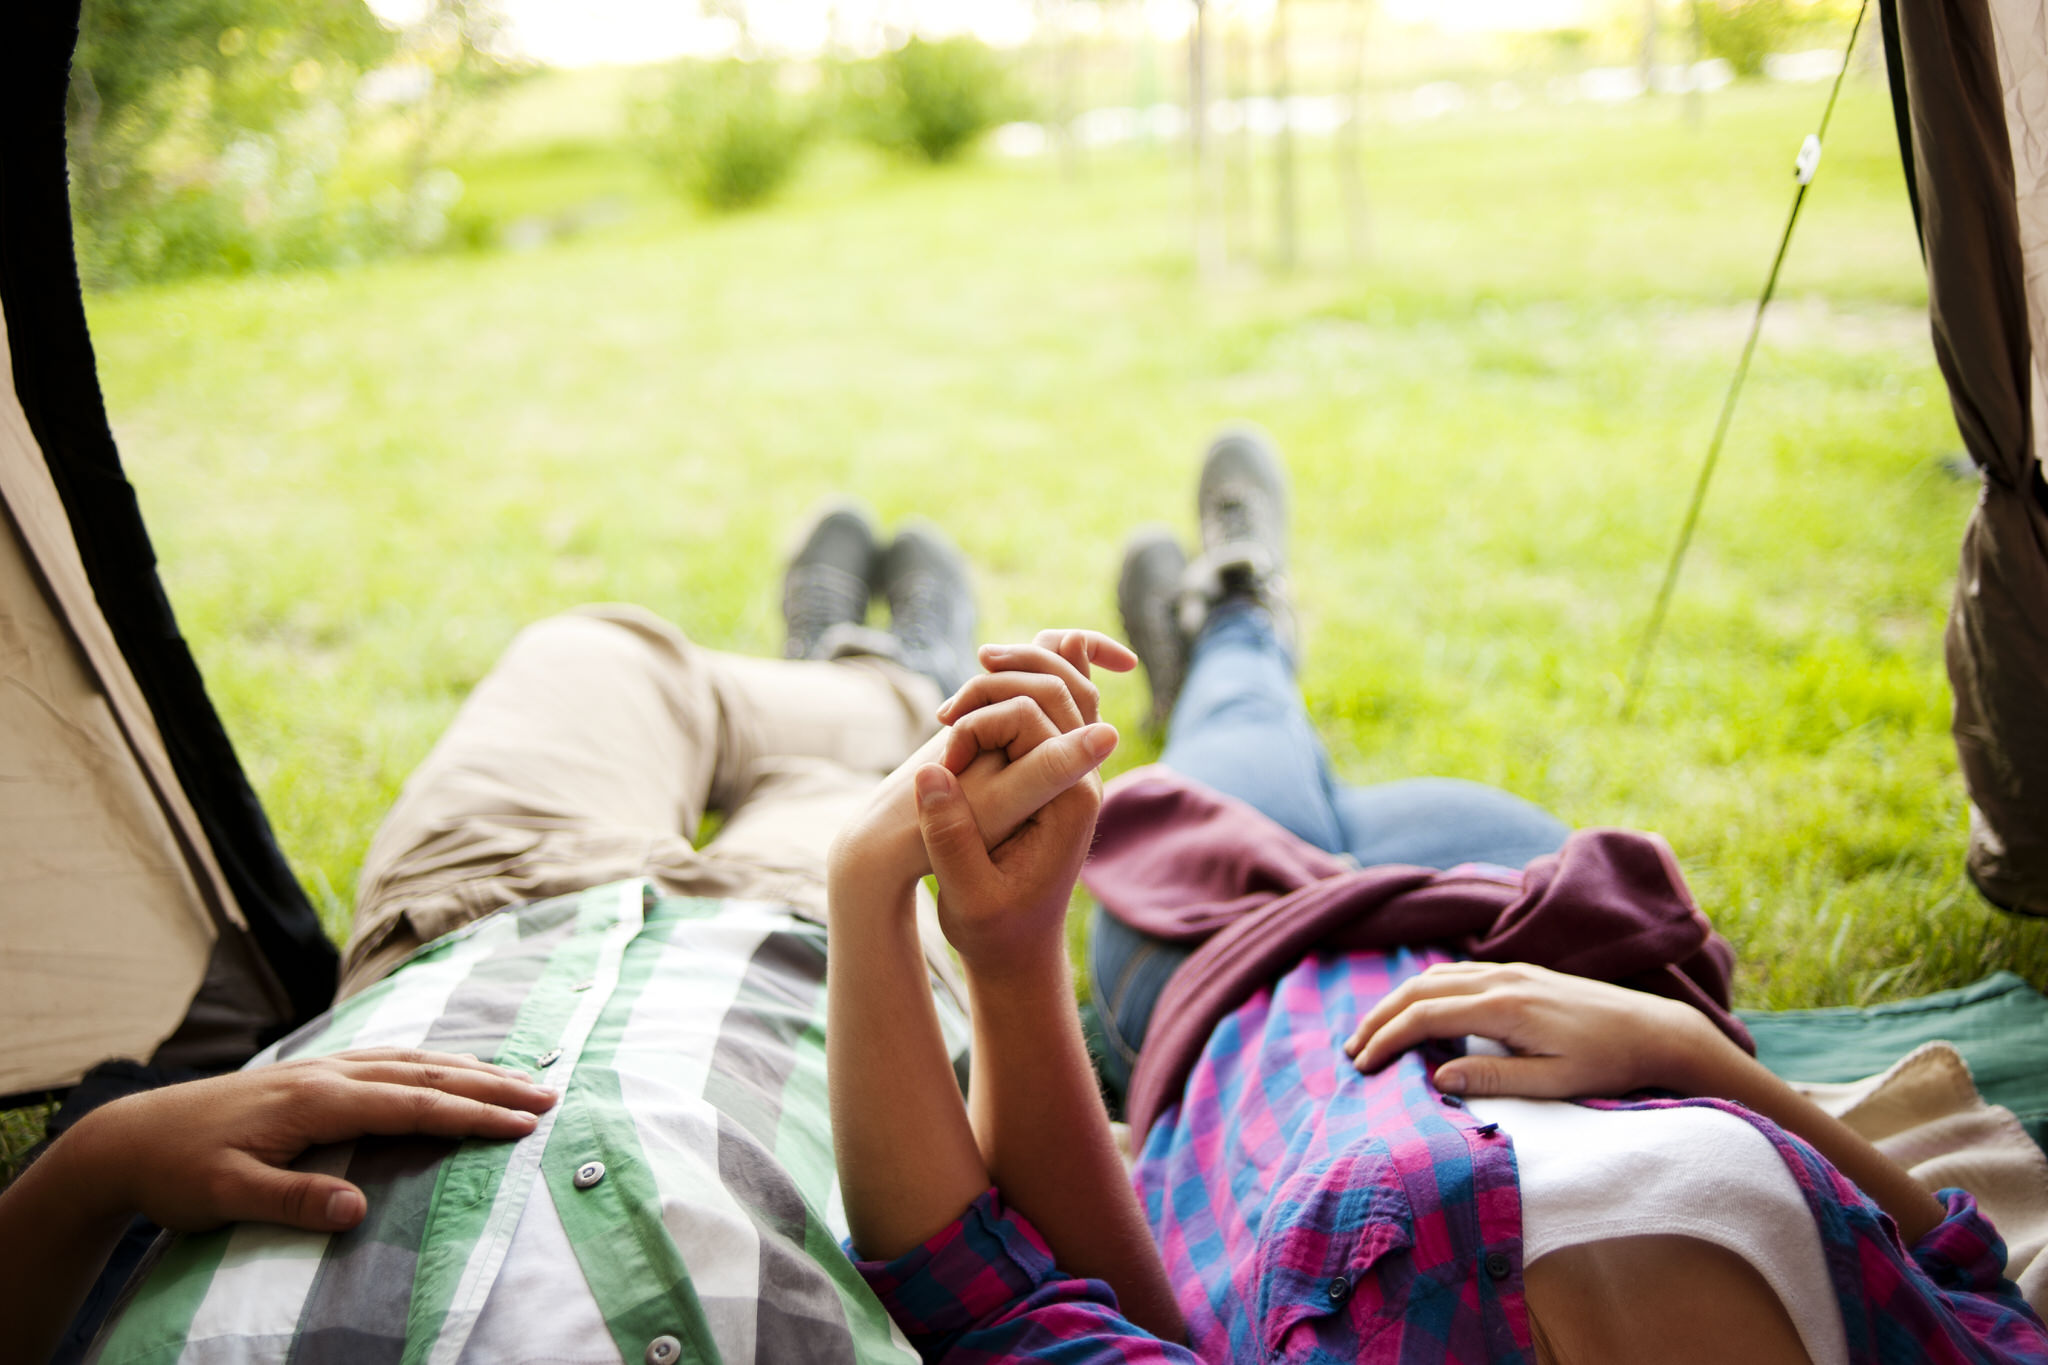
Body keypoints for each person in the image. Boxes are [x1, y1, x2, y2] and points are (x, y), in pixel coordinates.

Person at [823, 430, 2048, 1365]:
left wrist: (924, 909)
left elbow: (999, 1303)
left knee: (1232, 753)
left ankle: (1230, 632)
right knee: (1246, 746)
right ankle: (1227, 621)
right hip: (1531, 912)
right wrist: (1687, 1050)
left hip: (1229, 948)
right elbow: (1970, 1273)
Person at [0, 509, 1128, 1364]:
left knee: (600, 655)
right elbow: (1042, 1310)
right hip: (825, 973)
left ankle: (833, 668)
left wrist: (102, 1163)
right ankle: (888, 683)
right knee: (856, 776)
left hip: (472, 922)